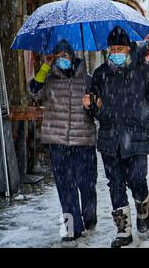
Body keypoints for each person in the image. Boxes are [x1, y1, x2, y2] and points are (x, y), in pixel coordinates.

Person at [84, 26, 149, 248]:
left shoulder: (145, 72)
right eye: (113, 48)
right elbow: (96, 109)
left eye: (120, 48)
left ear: (128, 49)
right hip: (109, 139)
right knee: (115, 185)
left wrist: (144, 120)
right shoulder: (100, 74)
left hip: (136, 138)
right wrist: (92, 106)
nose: (116, 52)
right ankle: (123, 230)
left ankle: (143, 210)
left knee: (138, 181)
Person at [28, 40, 97, 242]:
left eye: (64, 56)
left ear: (72, 56)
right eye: (57, 56)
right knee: (65, 187)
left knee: (86, 184)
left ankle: (89, 217)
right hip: (57, 141)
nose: (61, 60)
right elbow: (33, 90)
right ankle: (71, 228)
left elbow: (98, 107)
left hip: (83, 140)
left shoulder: (87, 79)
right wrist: (45, 65)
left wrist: (91, 103)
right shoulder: (49, 80)